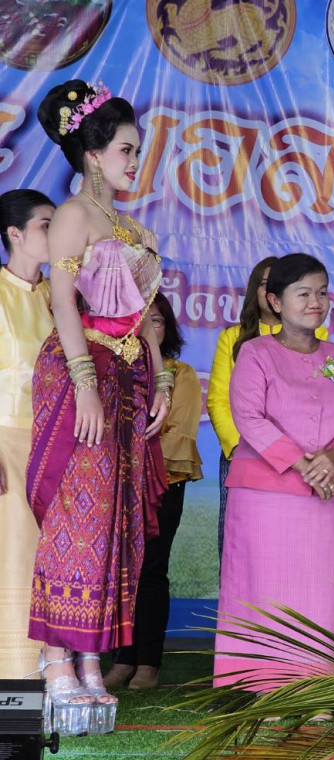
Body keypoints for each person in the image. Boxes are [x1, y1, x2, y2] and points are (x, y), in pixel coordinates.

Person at [25, 81, 169, 735]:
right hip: (80, 372)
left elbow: (145, 319)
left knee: (111, 522)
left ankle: (88, 656)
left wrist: (160, 381)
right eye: (126, 150)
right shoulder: (72, 215)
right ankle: (55, 657)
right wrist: (84, 381)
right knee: (74, 514)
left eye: (137, 150)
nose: (135, 161)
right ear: (92, 153)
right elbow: (62, 302)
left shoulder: (134, 227)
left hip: (127, 380)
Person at [213, 253, 334, 688]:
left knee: (322, 592)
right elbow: (248, 416)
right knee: (265, 591)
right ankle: (261, 688)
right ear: (274, 301)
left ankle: (316, 690)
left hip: (327, 497)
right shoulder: (255, 352)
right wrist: (304, 463)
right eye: (302, 293)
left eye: (321, 292)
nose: (315, 302)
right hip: (266, 496)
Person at [106, 293, 202, 689]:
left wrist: (136, 454)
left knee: (150, 570)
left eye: (157, 320)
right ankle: (123, 659)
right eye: (140, 320)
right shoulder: (113, 368)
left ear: (168, 329)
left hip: (162, 483)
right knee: (119, 571)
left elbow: (178, 433)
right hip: (115, 483)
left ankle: (148, 662)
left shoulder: (181, 374)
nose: (147, 328)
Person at [207, 257, 328, 561]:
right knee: (241, 542)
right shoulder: (234, 338)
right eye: (265, 284)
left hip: (299, 457)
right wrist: (240, 447)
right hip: (243, 453)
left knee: (293, 544)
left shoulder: (322, 340)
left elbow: (329, 394)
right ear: (262, 293)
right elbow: (219, 400)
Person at [0, 190, 55, 680]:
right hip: (6, 444)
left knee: (47, 559)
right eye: (45, 225)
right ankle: (14, 678)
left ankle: (47, 676)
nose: (55, 234)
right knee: (12, 558)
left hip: (54, 447)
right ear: (15, 234)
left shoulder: (60, 296)